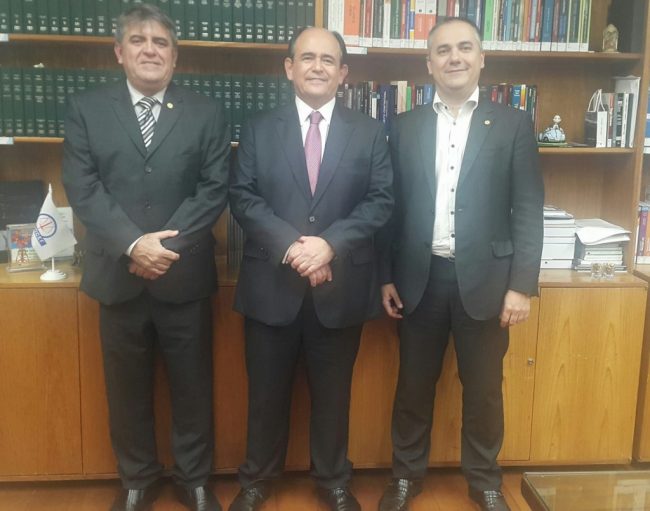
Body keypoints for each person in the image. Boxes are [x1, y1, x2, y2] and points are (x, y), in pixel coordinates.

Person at [62, 4, 230, 511]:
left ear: (175, 56)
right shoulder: (87, 109)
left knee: (193, 386)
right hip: (118, 275)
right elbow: (82, 188)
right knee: (126, 388)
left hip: (184, 276)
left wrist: (163, 249)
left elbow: (213, 188)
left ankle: (194, 479)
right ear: (119, 52)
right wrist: (135, 245)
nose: (150, 50)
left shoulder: (206, 112)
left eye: (161, 43)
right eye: (139, 41)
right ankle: (137, 478)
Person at [377, 18, 543, 511]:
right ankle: (406, 477)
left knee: (485, 391)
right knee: (413, 386)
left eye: (465, 48)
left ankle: (485, 481)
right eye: (443, 50)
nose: (455, 57)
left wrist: (521, 286)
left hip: (489, 282)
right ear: (429, 63)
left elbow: (528, 208)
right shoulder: (404, 126)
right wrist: (385, 275)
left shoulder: (512, 124)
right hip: (419, 278)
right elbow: (390, 209)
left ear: (481, 58)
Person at [228, 26, 393, 511]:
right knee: (265, 394)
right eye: (307, 58)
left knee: (333, 396)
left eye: (328, 60)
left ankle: (333, 482)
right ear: (289, 67)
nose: (317, 67)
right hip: (270, 285)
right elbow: (243, 196)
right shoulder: (259, 128)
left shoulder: (369, 132)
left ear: (343, 73)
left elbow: (381, 201)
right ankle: (256, 480)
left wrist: (329, 246)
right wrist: (295, 247)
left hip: (341, 287)